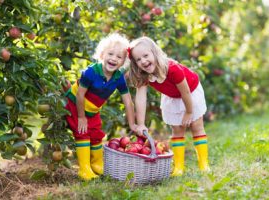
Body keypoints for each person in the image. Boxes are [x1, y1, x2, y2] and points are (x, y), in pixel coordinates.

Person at [128, 36, 210, 176]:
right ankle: (178, 167)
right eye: (138, 59)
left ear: (155, 52)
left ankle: (203, 164)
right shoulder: (143, 75)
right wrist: (140, 123)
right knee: (177, 130)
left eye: (146, 56)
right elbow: (141, 98)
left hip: (190, 92)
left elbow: (185, 92)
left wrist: (189, 112)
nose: (143, 61)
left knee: (196, 126)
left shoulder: (172, 68)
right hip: (172, 96)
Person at [65, 33, 137, 180]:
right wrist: (81, 117)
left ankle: (97, 163)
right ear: (102, 54)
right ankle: (84, 169)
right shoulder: (91, 72)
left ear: (124, 61)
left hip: (92, 109)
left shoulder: (118, 78)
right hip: (76, 103)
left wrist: (132, 124)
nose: (113, 59)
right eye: (110, 54)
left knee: (96, 132)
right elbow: (80, 95)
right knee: (82, 131)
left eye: (119, 57)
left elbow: (128, 102)